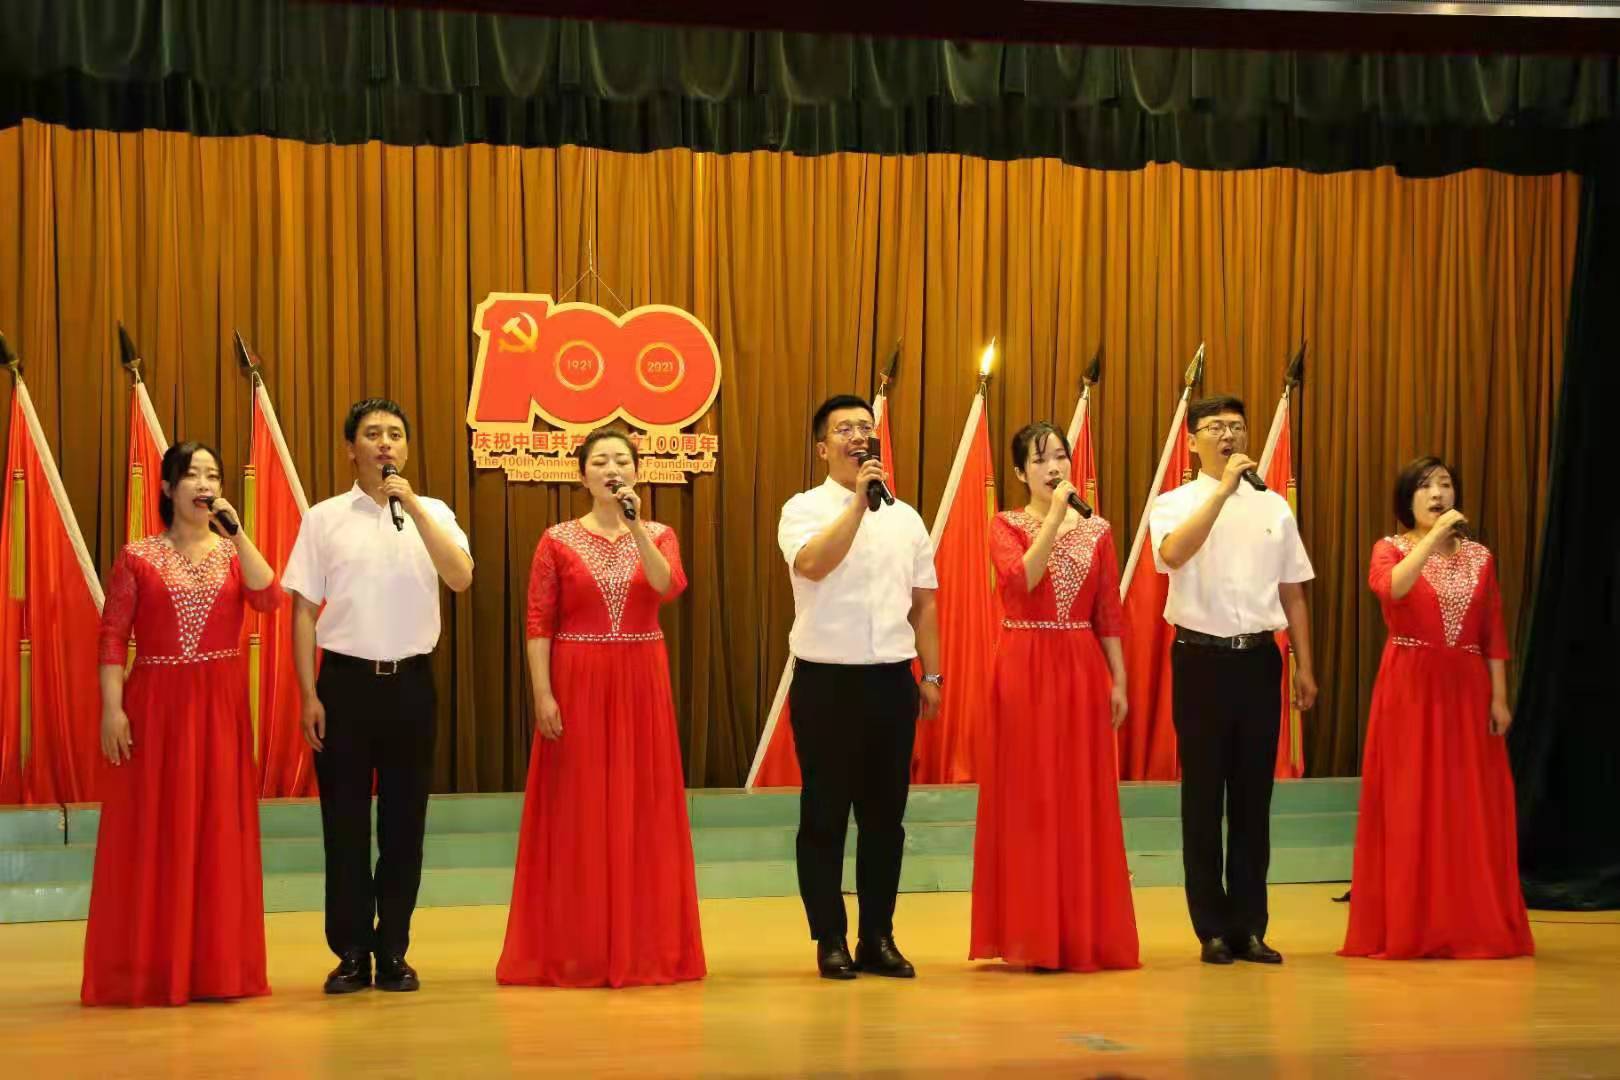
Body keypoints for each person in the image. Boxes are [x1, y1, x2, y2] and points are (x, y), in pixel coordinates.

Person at [497, 426, 706, 988]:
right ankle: (579, 947)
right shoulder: (557, 539)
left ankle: (643, 945)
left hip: (641, 679)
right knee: (579, 809)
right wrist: (543, 692)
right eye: (600, 462)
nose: (612, 469)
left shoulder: (658, 533)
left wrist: (635, 525)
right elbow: (538, 622)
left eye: (621, 460)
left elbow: (667, 587)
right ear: (582, 475)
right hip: (577, 679)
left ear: (637, 471)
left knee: (642, 808)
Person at [283, 398, 473, 995]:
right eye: (372, 434)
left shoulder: (432, 512)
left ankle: (393, 949)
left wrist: (412, 506)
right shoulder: (324, 518)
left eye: (395, 433)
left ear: (407, 449)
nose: (385, 442)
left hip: (411, 684)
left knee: (403, 825)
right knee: (343, 824)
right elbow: (303, 611)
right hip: (343, 685)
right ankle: (350, 952)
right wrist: (308, 693)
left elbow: (461, 577)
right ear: (351, 448)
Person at [83, 441, 283, 1006]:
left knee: (216, 829)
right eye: (192, 475)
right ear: (168, 488)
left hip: (219, 708)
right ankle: (152, 966)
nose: (204, 484)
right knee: (155, 830)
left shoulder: (232, 551)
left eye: (212, 475)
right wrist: (112, 708)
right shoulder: (138, 556)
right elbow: (112, 637)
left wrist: (237, 533)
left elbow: (269, 597)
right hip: (155, 704)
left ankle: (215, 968)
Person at [1340, 456, 1533, 960]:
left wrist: (1500, 696)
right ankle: (1413, 922)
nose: (1437, 493)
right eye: (1425, 486)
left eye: (1445, 484)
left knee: (1468, 803)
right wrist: (1430, 540)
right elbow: (1392, 588)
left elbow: (1493, 629)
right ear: (1408, 499)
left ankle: (1469, 920)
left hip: (1468, 688)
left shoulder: (1480, 556)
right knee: (1411, 800)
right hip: (1409, 686)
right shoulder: (1388, 548)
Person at [1149, 395, 1317, 965]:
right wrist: (1221, 493)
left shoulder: (1273, 507)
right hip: (1200, 660)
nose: (1229, 436)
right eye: (1217, 427)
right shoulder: (1174, 503)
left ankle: (1249, 926)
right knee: (1203, 797)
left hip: (1258, 661)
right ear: (1192, 440)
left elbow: (1293, 590)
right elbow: (1173, 554)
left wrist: (1305, 666)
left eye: (1238, 427)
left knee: (1252, 799)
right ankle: (1212, 929)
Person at [777, 394, 941, 980]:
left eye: (864, 427)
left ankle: (878, 937)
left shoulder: (906, 517)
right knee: (824, 816)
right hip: (826, 683)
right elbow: (814, 564)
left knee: (884, 820)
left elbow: (924, 603)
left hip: (891, 682)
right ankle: (830, 938)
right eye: (843, 429)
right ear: (823, 448)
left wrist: (932, 674)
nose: (856, 436)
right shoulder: (802, 509)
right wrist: (856, 504)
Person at [971, 422, 1140, 972]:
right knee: (1032, 797)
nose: (1054, 468)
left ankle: (1080, 930)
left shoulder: (1098, 530)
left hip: (1081, 665)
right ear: (1020, 473)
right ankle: (1031, 932)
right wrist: (1052, 521)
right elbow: (1019, 580)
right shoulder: (1005, 524)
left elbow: (1108, 610)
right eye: (1040, 460)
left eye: (1061, 457)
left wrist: (1119, 679)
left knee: (1080, 796)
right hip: (1024, 664)